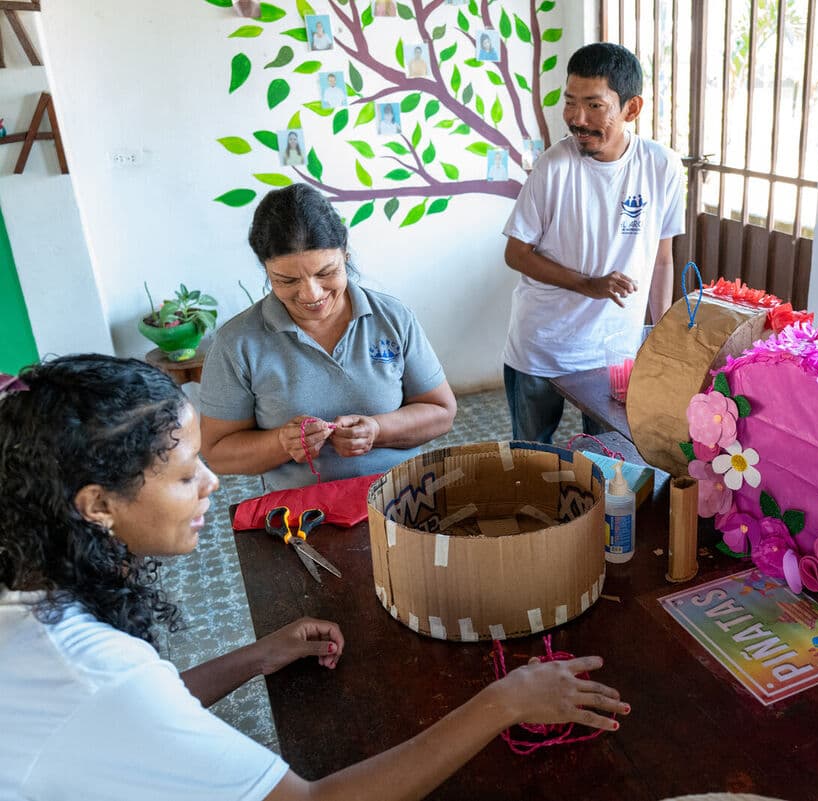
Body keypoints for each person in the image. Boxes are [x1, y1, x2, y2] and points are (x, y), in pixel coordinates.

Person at [0, 355, 628, 801]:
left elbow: (136, 711)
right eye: (187, 473)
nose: (212, 485)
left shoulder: (31, 601)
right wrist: (504, 701)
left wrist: (257, 657)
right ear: (96, 505)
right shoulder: (97, 675)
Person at [198, 184, 457, 491]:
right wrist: (281, 442)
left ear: (345, 256)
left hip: (401, 500)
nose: (311, 294)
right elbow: (217, 453)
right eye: (287, 280)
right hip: (302, 517)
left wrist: (377, 429)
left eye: (326, 273)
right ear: (267, 272)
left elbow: (442, 412)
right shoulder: (237, 343)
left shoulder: (392, 318)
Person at [501, 42, 684, 443]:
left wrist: (659, 335)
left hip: (614, 352)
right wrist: (588, 284)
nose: (577, 119)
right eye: (570, 103)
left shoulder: (662, 166)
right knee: (531, 460)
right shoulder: (554, 166)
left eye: (594, 105)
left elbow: (661, 260)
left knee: (612, 461)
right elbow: (516, 253)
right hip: (541, 349)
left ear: (631, 108)